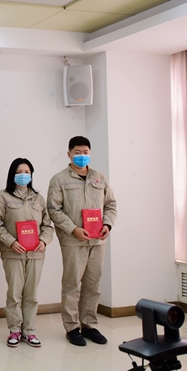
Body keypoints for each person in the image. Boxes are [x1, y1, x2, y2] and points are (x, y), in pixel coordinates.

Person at [47, 136, 117, 346]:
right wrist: (73, 229)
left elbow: (111, 204)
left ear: (90, 153)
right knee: (72, 285)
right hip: (73, 240)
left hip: (97, 241)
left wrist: (108, 224)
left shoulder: (99, 178)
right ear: (69, 154)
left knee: (93, 285)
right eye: (77, 152)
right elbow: (54, 209)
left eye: (85, 152)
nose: (81, 156)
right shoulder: (59, 179)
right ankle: (72, 327)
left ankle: (89, 325)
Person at [0, 158, 53, 348]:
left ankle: (30, 331)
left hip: (36, 253)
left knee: (31, 294)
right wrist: (11, 242)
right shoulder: (3, 196)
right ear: (12, 174)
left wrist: (44, 240)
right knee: (14, 293)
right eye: (19, 172)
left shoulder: (38, 198)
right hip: (13, 253)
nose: (23, 175)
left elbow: (47, 225)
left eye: (27, 172)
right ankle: (14, 330)